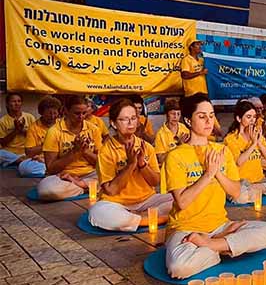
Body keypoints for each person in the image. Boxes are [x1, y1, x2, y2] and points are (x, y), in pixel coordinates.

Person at [164, 93, 266, 279]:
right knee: (179, 268)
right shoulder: (176, 156)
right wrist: (208, 174)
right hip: (185, 228)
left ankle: (212, 245)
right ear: (188, 120)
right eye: (202, 116)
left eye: (211, 115)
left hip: (220, 225)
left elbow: (235, 192)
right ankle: (225, 245)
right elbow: (182, 202)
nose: (209, 121)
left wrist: (217, 172)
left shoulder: (221, 150)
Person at [89, 99, 173, 231]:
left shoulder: (146, 147)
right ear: (114, 123)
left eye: (133, 118)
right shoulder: (106, 150)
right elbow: (111, 190)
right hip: (117, 203)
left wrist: (142, 165)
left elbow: (155, 182)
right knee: (97, 213)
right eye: (124, 119)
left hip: (147, 200)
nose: (130, 123)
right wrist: (130, 165)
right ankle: (150, 219)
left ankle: (138, 218)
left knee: (179, 199)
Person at [37, 95, 103, 200]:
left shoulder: (93, 129)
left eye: (84, 113)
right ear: (65, 111)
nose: (81, 117)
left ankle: (81, 186)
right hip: (62, 176)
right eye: (77, 113)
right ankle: (89, 187)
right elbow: (51, 168)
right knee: (47, 191)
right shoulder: (54, 132)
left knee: (118, 178)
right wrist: (74, 152)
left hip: (90, 174)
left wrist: (85, 151)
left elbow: (101, 163)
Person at [23, 96, 62, 177]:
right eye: (49, 113)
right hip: (40, 161)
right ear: (41, 113)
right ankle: (56, 173)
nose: (52, 116)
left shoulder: (62, 124)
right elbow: (29, 152)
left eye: (55, 113)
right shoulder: (33, 127)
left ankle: (53, 172)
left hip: (59, 159)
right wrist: (47, 144)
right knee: (23, 168)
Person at [0, 93, 36, 170]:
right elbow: (3, 143)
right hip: (10, 152)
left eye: (19, 101)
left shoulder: (29, 117)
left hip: (26, 152)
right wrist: (16, 131)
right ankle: (23, 161)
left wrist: (22, 130)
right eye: (13, 101)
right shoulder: (2, 121)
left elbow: (36, 137)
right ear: (7, 104)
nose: (17, 104)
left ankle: (18, 161)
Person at [154, 99, 190, 165]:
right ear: (167, 115)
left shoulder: (184, 129)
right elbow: (160, 159)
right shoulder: (160, 134)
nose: (175, 117)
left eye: (178, 114)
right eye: (173, 114)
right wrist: (178, 146)